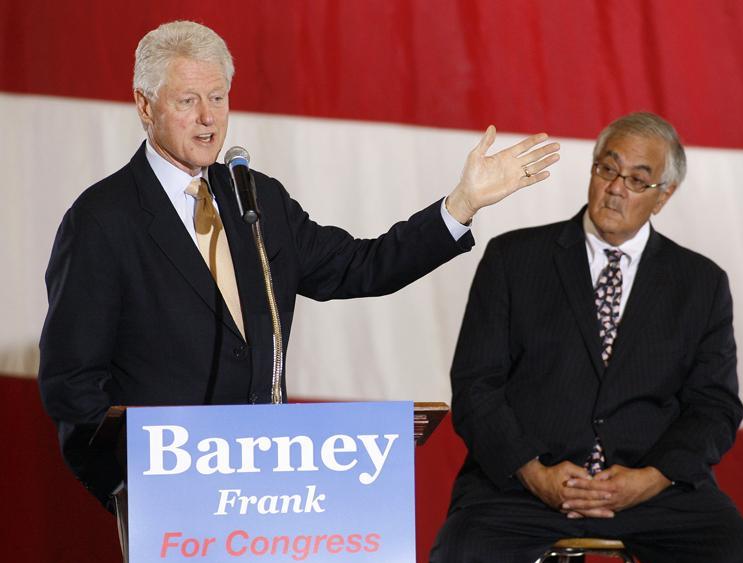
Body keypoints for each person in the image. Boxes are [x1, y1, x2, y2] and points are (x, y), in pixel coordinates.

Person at [37, 20, 559, 511]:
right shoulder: (102, 219)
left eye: (218, 98)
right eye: (188, 101)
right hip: (169, 495)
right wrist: (130, 491)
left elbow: (362, 266)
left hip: (273, 485)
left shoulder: (255, 200)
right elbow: (71, 384)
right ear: (144, 106)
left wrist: (461, 204)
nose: (208, 118)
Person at [430, 112, 743, 563]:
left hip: (652, 492)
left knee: (737, 556)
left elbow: (715, 406)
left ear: (663, 195)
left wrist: (650, 478)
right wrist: (534, 473)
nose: (615, 187)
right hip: (522, 487)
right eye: (607, 169)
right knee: (463, 554)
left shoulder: (700, 283)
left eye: (637, 179)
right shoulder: (513, 259)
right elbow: (476, 386)